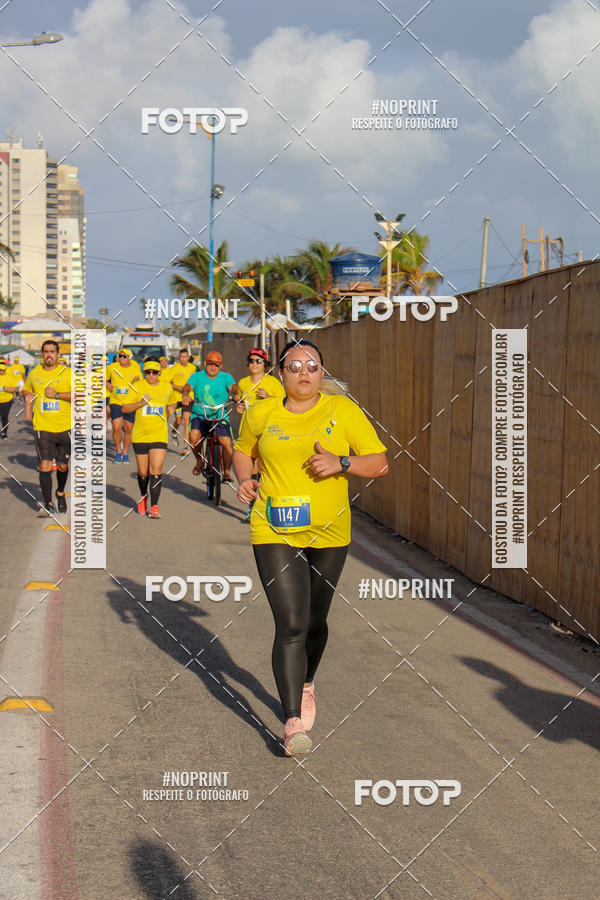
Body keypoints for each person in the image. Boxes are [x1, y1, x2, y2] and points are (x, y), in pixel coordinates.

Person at [233, 339, 389, 756]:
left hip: (329, 532)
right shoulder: (262, 412)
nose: (304, 373)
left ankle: (306, 682)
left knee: (316, 622)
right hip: (274, 529)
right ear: (280, 372)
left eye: (312, 366)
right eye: (295, 366)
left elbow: (379, 463)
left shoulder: (343, 411)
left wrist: (341, 462)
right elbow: (242, 451)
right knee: (291, 623)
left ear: (322, 372)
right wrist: (245, 479)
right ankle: (291, 724)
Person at [121, 357, 176, 519]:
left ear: (159, 372)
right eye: (148, 372)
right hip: (140, 435)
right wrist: (141, 403)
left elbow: (172, 402)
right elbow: (125, 408)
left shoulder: (166, 387)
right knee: (143, 471)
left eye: (154, 372)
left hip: (159, 434)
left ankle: (154, 506)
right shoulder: (137, 386)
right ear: (144, 372)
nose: (151, 375)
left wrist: (171, 410)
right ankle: (143, 495)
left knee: (156, 469)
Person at [22, 340, 73, 516]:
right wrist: (27, 395)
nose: (48, 355)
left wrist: (57, 395)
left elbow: (80, 394)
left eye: (52, 351)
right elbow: (26, 389)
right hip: (42, 426)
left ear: (58, 354)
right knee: (44, 465)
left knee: (62, 466)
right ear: (42, 354)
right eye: (45, 351)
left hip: (64, 426)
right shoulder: (35, 373)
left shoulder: (68, 373)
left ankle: (60, 492)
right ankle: (48, 503)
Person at [236, 348, 285, 522]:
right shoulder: (243, 383)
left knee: (260, 467)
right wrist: (239, 407)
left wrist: (269, 397)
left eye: (258, 361)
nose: (254, 364)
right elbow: (241, 403)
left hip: (267, 431)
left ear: (265, 364)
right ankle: (252, 506)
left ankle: (266, 505)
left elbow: (284, 404)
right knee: (251, 469)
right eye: (251, 360)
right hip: (248, 432)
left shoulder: (273, 382)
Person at [183, 350, 237, 482]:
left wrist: (236, 393)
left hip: (220, 416)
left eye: (216, 365)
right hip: (200, 415)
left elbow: (233, 387)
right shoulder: (197, 376)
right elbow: (188, 386)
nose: (213, 367)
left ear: (221, 366)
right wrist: (185, 394)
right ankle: (199, 461)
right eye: (210, 364)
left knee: (227, 442)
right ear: (205, 363)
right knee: (194, 437)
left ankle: (226, 472)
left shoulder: (226, 377)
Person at [106, 347, 141, 463]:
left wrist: (136, 382)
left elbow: (139, 384)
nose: (121, 358)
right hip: (116, 401)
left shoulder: (135, 369)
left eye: (124, 356)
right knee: (116, 427)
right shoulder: (112, 367)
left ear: (129, 358)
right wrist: (107, 383)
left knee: (128, 429)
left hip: (130, 402)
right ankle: (118, 451)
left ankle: (125, 452)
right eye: (120, 356)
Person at [168, 348, 197, 455]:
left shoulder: (193, 368)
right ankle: (174, 432)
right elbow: (168, 383)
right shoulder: (174, 368)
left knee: (186, 420)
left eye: (185, 357)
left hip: (189, 398)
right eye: (182, 357)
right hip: (177, 398)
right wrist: (178, 387)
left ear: (188, 357)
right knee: (178, 421)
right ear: (179, 358)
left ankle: (185, 446)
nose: (184, 359)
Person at [0, 358, 19, 439]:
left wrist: (7, 389)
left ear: (4, 370)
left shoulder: (10, 377)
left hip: (7, 400)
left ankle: (4, 433)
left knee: (4, 417)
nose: (1, 371)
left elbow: (15, 388)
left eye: (2, 370)